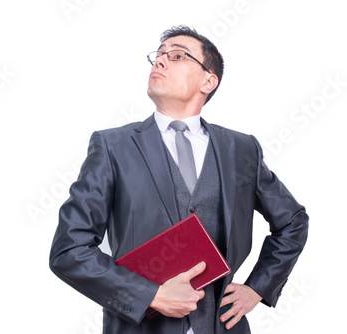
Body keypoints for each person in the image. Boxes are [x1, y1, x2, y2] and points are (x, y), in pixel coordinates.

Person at [49, 25, 308, 334]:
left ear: (208, 81)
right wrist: (151, 296)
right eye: (158, 56)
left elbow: (293, 221)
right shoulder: (112, 146)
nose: (160, 61)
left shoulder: (240, 149)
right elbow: (70, 250)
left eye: (177, 56)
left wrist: (258, 288)